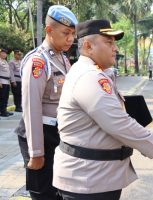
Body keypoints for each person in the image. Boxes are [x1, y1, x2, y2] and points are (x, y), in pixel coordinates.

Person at [52, 19, 153, 200]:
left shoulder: (94, 73)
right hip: (88, 180)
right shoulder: (89, 77)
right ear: (88, 46)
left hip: (94, 177)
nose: (115, 48)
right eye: (109, 42)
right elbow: (118, 123)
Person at [18, 5, 78, 200]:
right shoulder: (38, 62)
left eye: (72, 34)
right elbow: (31, 108)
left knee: (58, 190)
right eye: (66, 33)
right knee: (43, 192)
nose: (70, 38)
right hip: (39, 134)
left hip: (56, 133)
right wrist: (36, 152)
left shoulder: (63, 59)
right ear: (49, 30)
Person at [0, 48, 16, 117]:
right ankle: (2, 112)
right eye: (3, 53)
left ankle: (4, 110)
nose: (4, 54)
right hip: (2, 81)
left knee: (6, 97)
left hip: (6, 82)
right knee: (2, 97)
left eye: (5, 53)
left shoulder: (5, 61)